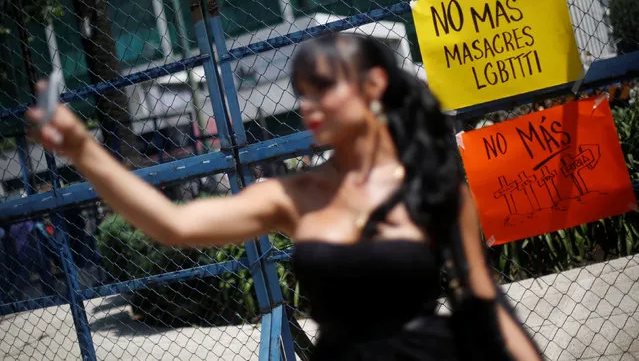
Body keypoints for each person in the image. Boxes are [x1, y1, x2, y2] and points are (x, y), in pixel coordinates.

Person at [27, 33, 543, 360]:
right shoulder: (291, 197)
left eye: (322, 87)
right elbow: (174, 225)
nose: (306, 104)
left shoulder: (434, 185)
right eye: (300, 91)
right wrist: (83, 150)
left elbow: (483, 302)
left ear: (374, 84)